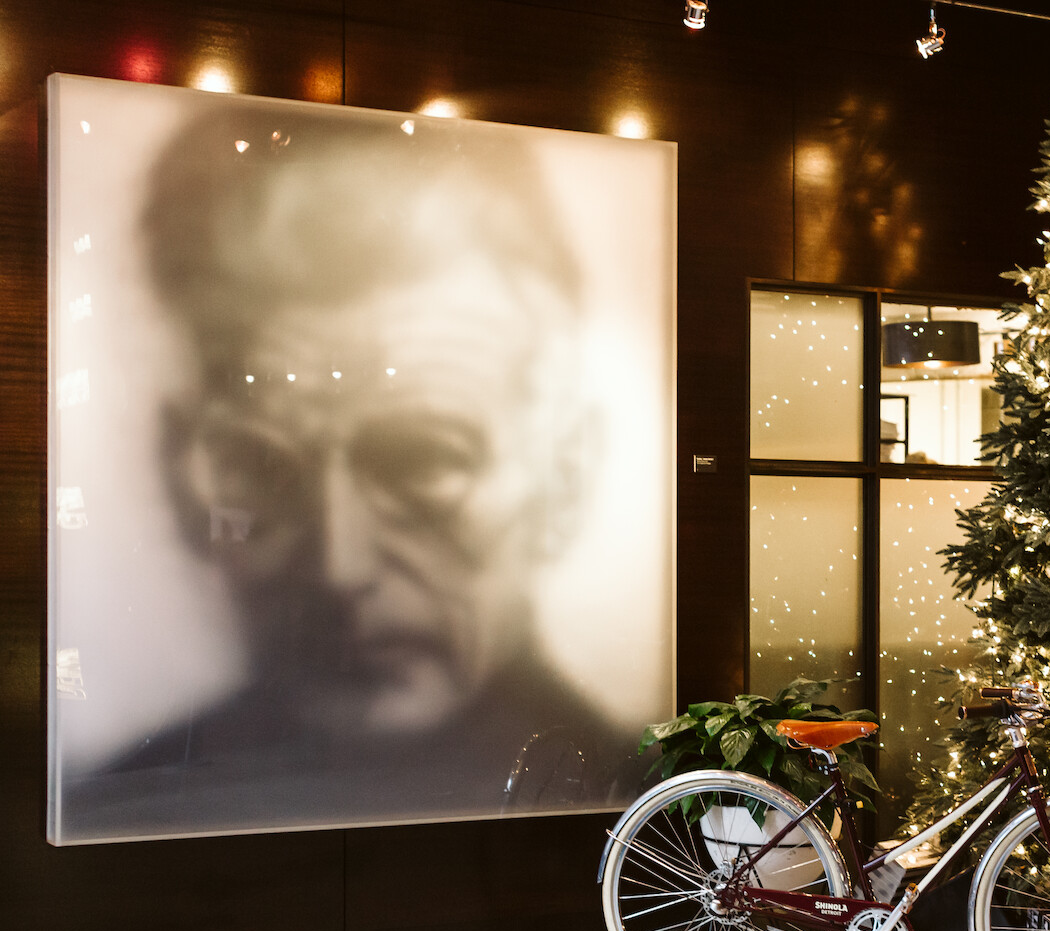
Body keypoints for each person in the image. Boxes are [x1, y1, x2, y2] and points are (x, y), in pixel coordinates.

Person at [62, 96, 644, 838]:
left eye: (424, 458)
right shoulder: (121, 804)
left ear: (566, 475)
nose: (341, 565)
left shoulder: (637, 785)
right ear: (181, 476)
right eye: (261, 464)